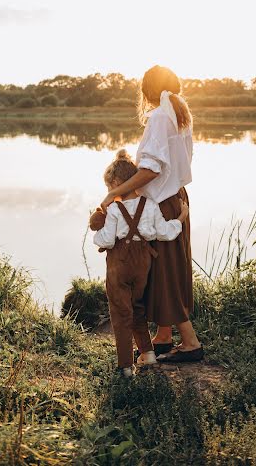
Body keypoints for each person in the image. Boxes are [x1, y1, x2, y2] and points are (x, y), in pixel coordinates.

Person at [100, 65, 203, 363]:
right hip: (176, 198)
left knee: (167, 274)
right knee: (163, 271)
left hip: (165, 202)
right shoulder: (179, 112)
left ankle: (191, 343)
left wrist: (113, 193)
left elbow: (151, 169)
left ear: (147, 90)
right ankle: (163, 337)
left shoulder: (160, 117)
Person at [92, 149, 189, 377]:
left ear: (117, 183)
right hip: (143, 264)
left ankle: (125, 366)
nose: (111, 193)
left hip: (120, 263)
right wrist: (181, 219)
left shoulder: (114, 209)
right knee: (137, 308)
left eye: (110, 188)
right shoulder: (150, 205)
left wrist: (96, 230)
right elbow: (164, 233)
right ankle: (148, 353)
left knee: (120, 312)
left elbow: (106, 240)